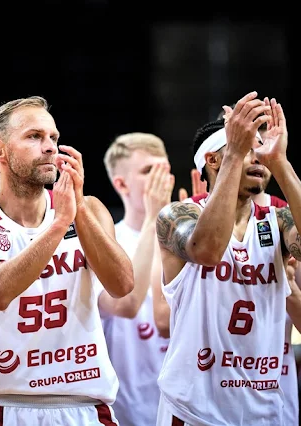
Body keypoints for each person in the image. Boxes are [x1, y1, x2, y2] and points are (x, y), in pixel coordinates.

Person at [0, 95, 134, 425]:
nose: (49, 147)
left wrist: (78, 211)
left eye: (54, 138)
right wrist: (60, 224)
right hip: (9, 404)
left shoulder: (88, 209)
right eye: (34, 136)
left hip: (87, 403)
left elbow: (122, 285)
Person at [154, 92, 301, 425]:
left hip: (265, 409)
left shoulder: (278, 220)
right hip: (194, 410)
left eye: (260, 147)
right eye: (246, 148)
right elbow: (208, 251)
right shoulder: (177, 216)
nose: (258, 157)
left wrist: (281, 164)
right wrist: (234, 152)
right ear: (212, 161)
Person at [99, 132, 174, 426]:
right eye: (147, 171)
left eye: (164, 169)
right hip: (128, 410)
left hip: (186, 407)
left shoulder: (191, 237)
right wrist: (153, 218)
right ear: (121, 183)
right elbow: (126, 303)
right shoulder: (107, 240)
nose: (160, 178)